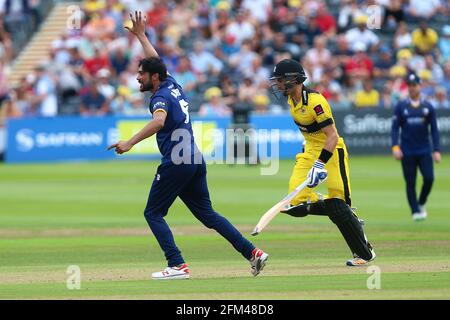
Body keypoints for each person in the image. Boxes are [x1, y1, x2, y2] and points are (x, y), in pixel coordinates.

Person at [108, 12, 268, 280]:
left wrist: (129, 143)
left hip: (178, 161)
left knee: (153, 213)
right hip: (194, 158)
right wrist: (141, 36)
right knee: (208, 215)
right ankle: (253, 253)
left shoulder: (159, 97)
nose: (137, 78)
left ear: (154, 78)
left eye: (141, 74)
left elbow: (158, 122)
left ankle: (177, 264)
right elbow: (157, 61)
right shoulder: (172, 84)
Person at [269, 59, 376, 266]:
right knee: (294, 206)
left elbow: (332, 136)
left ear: (294, 79)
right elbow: (309, 134)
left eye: (281, 80)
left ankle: (363, 253)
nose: (278, 85)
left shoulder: (316, 101)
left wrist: (319, 164)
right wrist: (310, 157)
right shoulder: (291, 99)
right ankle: (343, 211)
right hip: (310, 151)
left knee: (339, 205)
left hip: (332, 151)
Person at [391, 73, 441, 221]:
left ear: (420, 86)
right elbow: (394, 128)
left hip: (424, 150)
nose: (412, 88)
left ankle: (421, 202)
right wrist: (395, 147)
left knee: (429, 178)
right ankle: (415, 212)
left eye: (415, 85)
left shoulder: (428, 106)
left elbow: (434, 130)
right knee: (410, 182)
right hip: (407, 150)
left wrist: (436, 150)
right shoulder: (401, 106)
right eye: (410, 85)